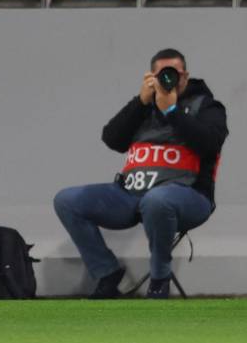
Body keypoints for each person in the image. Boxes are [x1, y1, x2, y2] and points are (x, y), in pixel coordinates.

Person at [53, 49, 228, 299]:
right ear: (151, 77)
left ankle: (159, 278)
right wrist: (140, 102)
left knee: (156, 200)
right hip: (130, 194)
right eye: (161, 74)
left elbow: (210, 143)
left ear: (185, 76)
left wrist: (172, 111)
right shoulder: (144, 108)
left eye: (174, 73)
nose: (168, 79)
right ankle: (106, 273)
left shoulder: (207, 106)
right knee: (67, 200)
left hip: (189, 196)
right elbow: (112, 139)